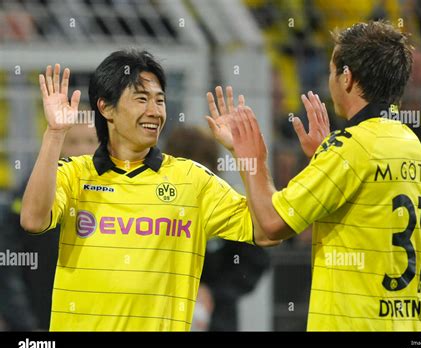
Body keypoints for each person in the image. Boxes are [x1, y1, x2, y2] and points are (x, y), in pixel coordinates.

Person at [20, 50, 277, 331]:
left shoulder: (192, 179)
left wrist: (250, 160)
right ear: (106, 108)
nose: (155, 111)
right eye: (141, 99)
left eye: (160, 100)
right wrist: (55, 133)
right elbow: (33, 220)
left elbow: (267, 229)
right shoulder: (74, 174)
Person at [208, 20, 421, 331]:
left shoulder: (351, 148)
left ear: (347, 77)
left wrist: (250, 158)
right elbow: (366, 205)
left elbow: (271, 225)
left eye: (332, 71)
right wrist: (324, 156)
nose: (329, 80)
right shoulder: (408, 142)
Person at [164, 126, 270, 331]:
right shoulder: (154, 207)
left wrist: (213, 292)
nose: (195, 177)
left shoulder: (232, 204)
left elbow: (256, 261)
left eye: (202, 167)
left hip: (220, 321)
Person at [0, 123, 98, 330]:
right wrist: (25, 325)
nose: (82, 149)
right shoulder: (31, 195)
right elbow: (8, 268)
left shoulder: (117, 195)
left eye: (90, 141)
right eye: (73, 142)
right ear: (57, 145)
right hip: (41, 319)